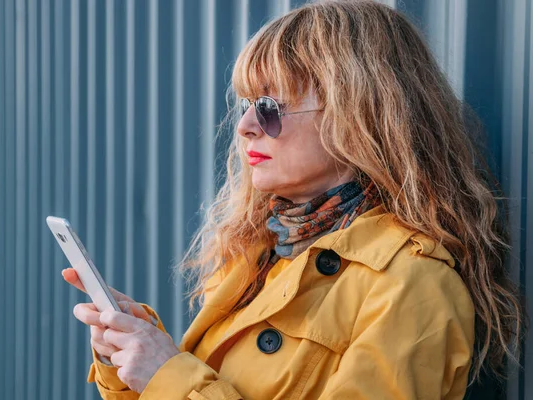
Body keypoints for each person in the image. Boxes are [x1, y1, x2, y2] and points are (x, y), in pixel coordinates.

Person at [63, 1, 526, 398]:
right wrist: (132, 359)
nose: (244, 126)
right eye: (246, 104)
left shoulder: (411, 283)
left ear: (359, 113)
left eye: (270, 107)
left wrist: (169, 374)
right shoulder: (262, 254)